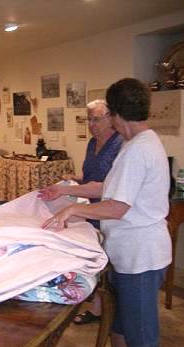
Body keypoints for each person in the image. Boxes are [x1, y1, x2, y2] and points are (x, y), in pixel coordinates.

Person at [40, 78, 171, 347]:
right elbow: (107, 188)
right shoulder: (137, 143)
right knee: (121, 319)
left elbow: (116, 207)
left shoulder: (139, 150)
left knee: (143, 332)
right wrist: (66, 193)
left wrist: (74, 210)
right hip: (129, 253)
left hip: (141, 256)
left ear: (116, 114)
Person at [63, 99, 123, 325]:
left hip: (109, 210)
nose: (91, 124)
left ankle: (108, 309)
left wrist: (68, 189)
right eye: (88, 120)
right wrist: (74, 179)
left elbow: (107, 185)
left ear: (110, 118)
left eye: (96, 119)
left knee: (107, 261)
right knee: (92, 257)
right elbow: (89, 176)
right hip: (89, 208)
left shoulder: (119, 145)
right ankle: (97, 309)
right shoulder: (91, 143)